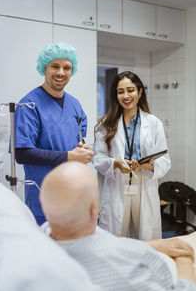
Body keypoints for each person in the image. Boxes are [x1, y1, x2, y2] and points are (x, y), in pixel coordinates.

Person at [40, 161, 196, 291]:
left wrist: (153, 245)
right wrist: (184, 259)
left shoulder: (41, 237)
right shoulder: (121, 274)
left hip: (154, 251)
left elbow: (106, 243)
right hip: (177, 270)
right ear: (95, 209)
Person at [14, 42, 94, 225]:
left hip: (73, 191)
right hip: (44, 194)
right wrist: (68, 156)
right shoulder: (29, 105)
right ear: (45, 68)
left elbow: (79, 139)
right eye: (55, 66)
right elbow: (22, 153)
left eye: (67, 67)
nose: (61, 72)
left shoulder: (75, 104)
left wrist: (83, 151)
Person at [93, 71, 171, 240]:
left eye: (130, 90)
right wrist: (115, 163)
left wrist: (148, 165)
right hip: (117, 184)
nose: (126, 96)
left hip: (143, 182)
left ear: (140, 92)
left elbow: (165, 160)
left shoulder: (153, 123)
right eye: (121, 92)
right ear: (116, 95)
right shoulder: (105, 123)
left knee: (145, 239)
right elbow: (97, 158)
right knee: (115, 240)